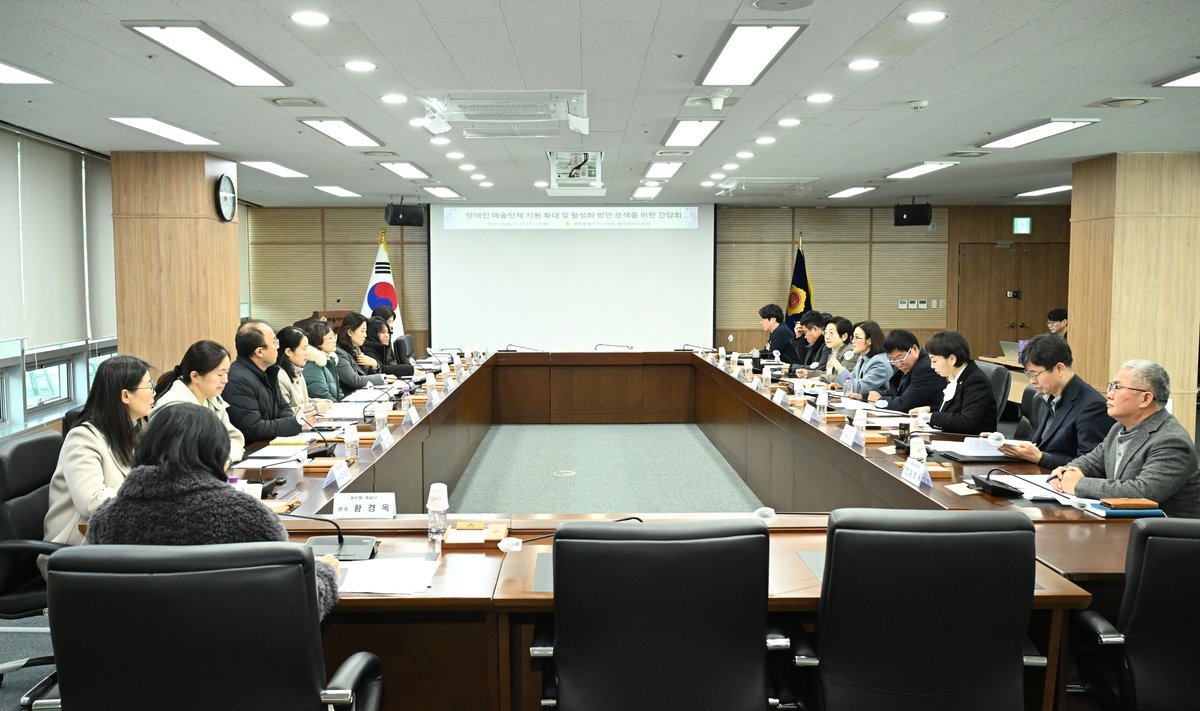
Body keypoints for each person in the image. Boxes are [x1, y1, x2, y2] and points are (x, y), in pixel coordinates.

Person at [85, 403, 341, 618]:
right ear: (217, 454)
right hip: (235, 658)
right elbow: (296, 606)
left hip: (136, 659)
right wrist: (325, 574)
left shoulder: (106, 520)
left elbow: (98, 604)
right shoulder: (248, 515)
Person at [1048, 360, 1200, 517]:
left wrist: (1078, 485)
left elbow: (1143, 492)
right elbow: (1091, 463)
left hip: (1164, 530)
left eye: (1117, 388)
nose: (1109, 394)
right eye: (1111, 386)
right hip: (1124, 522)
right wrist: (1065, 472)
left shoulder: (1171, 441)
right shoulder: (1118, 428)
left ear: (1145, 399)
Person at [44, 356, 153, 547]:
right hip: (78, 547)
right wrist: (146, 487)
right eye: (149, 386)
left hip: (118, 536)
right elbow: (91, 503)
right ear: (126, 396)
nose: (154, 393)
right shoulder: (82, 438)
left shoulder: (132, 432)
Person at [999, 335, 1113, 468]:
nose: (1031, 381)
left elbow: (1091, 466)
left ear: (1059, 369)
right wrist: (1001, 442)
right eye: (1029, 374)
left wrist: (1041, 458)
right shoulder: (1046, 396)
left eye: (1035, 374)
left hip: (1059, 477)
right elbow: (1036, 444)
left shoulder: (1092, 407)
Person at [152, 339, 246, 462]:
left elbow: (234, 439)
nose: (225, 380)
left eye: (227, 373)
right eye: (220, 374)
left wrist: (226, 458)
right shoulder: (173, 409)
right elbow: (183, 457)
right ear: (195, 376)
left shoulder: (213, 399)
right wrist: (223, 458)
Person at [225, 322, 307, 441]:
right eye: (274, 342)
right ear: (259, 352)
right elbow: (253, 428)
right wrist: (294, 424)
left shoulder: (269, 371)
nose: (278, 347)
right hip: (252, 448)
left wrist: (290, 422)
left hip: (270, 442)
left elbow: (283, 408)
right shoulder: (238, 380)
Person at [908, 331, 996, 435]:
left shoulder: (976, 381)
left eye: (934, 361)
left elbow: (967, 421)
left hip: (970, 440)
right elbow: (953, 410)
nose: (932, 366)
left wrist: (930, 417)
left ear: (952, 359)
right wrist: (928, 409)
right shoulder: (955, 376)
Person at [864, 329, 945, 412]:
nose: (898, 364)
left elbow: (905, 404)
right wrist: (863, 396)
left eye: (900, 358)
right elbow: (896, 391)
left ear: (914, 349)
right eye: (892, 359)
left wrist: (879, 400)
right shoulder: (900, 363)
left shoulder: (926, 368)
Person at [276, 326, 329, 417]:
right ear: (288, 351)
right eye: (304, 349)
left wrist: (317, 402)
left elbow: (301, 402)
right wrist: (314, 407)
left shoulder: (297, 371)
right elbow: (285, 412)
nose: (307, 353)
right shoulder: (279, 376)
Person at [335, 313, 391, 396]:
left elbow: (366, 376)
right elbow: (355, 380)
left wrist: (374, 365)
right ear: (350, 332)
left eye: (365, 331)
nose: (365, 335)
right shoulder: (339, 353)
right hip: (349, 397)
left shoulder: (357, 350)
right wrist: (383, 378)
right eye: (362, 331)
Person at [839, 320, 893, 397]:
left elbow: (859, 389)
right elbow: (851, 379)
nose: (853, 341)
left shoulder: (879, 363)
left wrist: (839, 368)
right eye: (853, 337)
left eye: (857, 337)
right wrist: (838, 385)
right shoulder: (863, 357)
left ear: (869, 341)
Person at [801, 316, 855, 383]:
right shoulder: (834, 350)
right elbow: (829, 373)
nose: (827, 337)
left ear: (844, 336)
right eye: (825, 333)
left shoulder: (850, 351)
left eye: (831, 333)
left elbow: (845, 377)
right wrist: (808, 373)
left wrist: (820, 378)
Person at [302, 321, 342, 401]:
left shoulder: (329, 359)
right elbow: (322, 395)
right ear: (318, 341)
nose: (335, 340)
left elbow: (338, 391)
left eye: (334, 336)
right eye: (330, 337)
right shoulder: (312, 365)